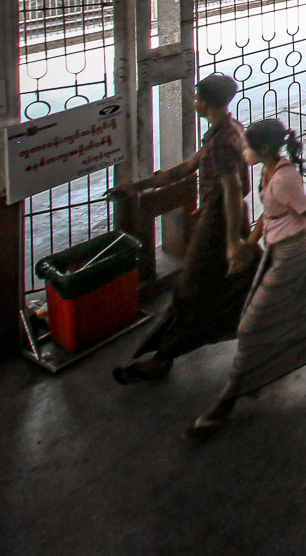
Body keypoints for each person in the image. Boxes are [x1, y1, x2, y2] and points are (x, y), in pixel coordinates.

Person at [186, 120, 306, 438]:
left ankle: (227, 400)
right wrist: (247, 247)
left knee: (251, 325)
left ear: (263, 149)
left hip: (292, 252)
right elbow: (270, 214)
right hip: (278, 247)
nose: (243, 152)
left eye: (247, 147)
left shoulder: (284, 178)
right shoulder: (271, 170)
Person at [111, 74, 256, 385]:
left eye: (195, 97)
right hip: (225, 218)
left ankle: (164, 358)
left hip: (218, 222)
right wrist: (137, 187)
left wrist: (231, 242)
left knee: (191, 291)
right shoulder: (230, 129)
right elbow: (186, 169)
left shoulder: (219, 141)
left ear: (204, 102)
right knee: (227, 285)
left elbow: (231, 190)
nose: (193, 102)